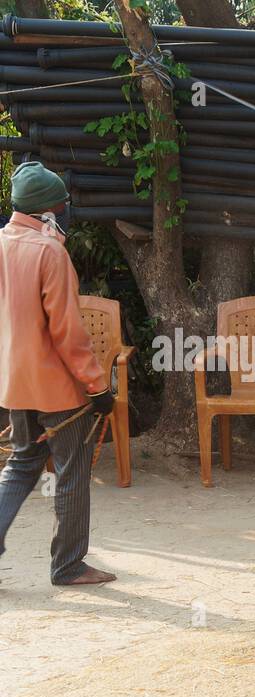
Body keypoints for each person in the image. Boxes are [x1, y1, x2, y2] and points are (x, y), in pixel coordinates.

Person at [0, 161, 117, 586]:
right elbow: (67, 333)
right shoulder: (50, 252)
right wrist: (98, 387)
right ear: (47, 212)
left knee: (20, 466)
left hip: (15, 384)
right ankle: (68, 565)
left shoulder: (2, 243)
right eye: (62, 204)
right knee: (72, 473)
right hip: (58, 390)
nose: (66, 209)